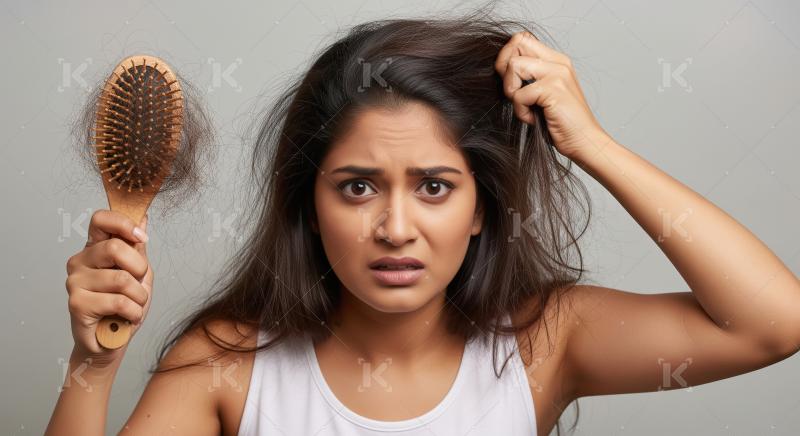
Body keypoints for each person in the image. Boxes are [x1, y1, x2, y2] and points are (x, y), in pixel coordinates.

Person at [47, 13, 800, 436]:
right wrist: (92, 366)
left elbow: (772, 323)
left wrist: (592, 145)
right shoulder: (228, 365)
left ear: (482, 209)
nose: (396, 227)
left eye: (436, 186)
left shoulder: (543, 343)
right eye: (358, 187)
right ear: (310, 203)